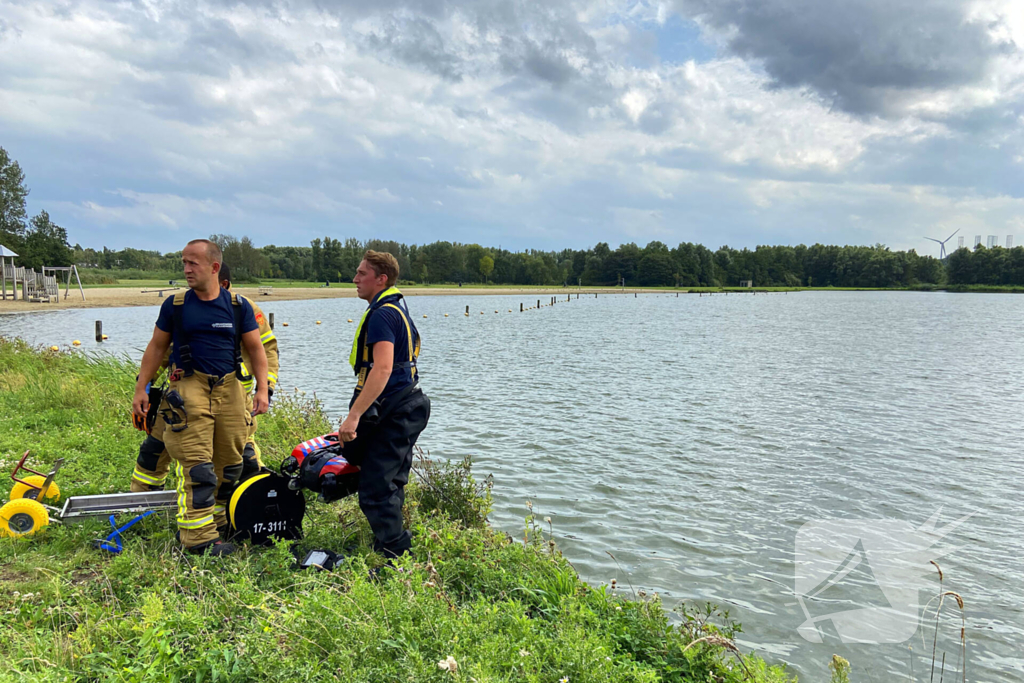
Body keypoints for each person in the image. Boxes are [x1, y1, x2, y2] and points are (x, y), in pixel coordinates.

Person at [132, 239, 269, 556]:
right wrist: (142, 387)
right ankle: (197, 539)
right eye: (184, 262)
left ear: (214, 267)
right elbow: (156, 348)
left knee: (231, 466)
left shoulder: (238, 306)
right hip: (189, 388)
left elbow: (256, 349)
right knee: (198, 468)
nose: (186, 269)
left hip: (231, 389)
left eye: (193, 263)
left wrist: (263, 389)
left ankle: (219, 526)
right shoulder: (176, 306)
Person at [130, 263, 280, 493]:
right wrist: (145, 387)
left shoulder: (244, 309)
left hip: (234, 399)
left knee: (242, 459)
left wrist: (265, 389)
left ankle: (251, 501)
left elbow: (267, 350)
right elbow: (164, 351)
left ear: (224, 284)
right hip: (185, 398)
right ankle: (142, 500)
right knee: (155, 450)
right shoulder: (183, 307)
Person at [338, 250, 430, 561]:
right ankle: (390, 546)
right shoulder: (396, 309)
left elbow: (382, 368)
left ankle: (396, 558)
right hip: (407, 405)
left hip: (395, 408)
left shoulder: (382, 314)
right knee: (389, 481)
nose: (355, 279)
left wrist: (353, 417)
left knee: (376, 487)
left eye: (361, 274)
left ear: (382, 279)